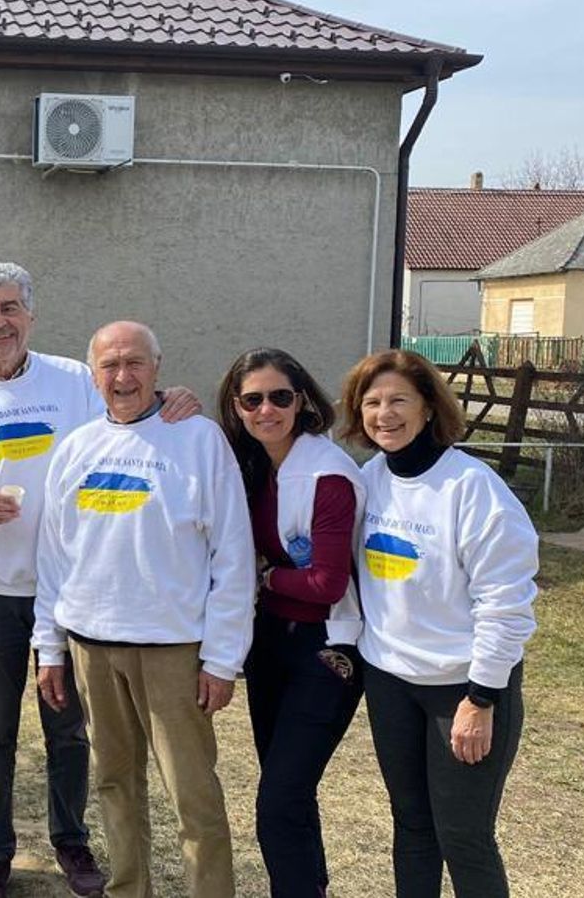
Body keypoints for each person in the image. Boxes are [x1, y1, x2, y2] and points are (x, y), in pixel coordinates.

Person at [0, 262, 200, 898]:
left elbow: (132, 411)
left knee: (67, 726)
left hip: (71, 591)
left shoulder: (75, 380)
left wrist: (172, 397)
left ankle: (72, 842)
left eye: (10, 307)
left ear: (31, 316)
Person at [33, 321, 255, 898]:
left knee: (192, 796)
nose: (122, 376)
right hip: (91, 645)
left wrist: (223, 658)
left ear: (158, 368)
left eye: (135, 363)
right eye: (109, 366)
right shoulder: (76, 448)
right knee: (113, 782)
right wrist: (49, 647)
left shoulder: (200, 440)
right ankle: (129, 888)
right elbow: (54, 558)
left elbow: (232, 554)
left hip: (172, 650)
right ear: (94, 375)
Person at [338, 349, 538, 898]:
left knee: (464, 835)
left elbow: (506, 601)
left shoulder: (472, 488)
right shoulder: (369, 477)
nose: (385, 414)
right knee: (412, 826)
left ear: (429, 406)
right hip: (389, 681)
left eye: (399, 399)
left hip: (463, 689)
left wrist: (480, 698)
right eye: (372, 402)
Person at [215, 347, 366, 898]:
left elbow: (327, 582)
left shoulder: (328, 475)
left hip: (327, 649)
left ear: (301, 400)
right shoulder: (258, 466)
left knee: (277, 804)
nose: (266, 410)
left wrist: (267, 580)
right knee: (291, 795)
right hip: (271, 645)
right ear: (237, 407)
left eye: (279, 396)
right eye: (252, 399)